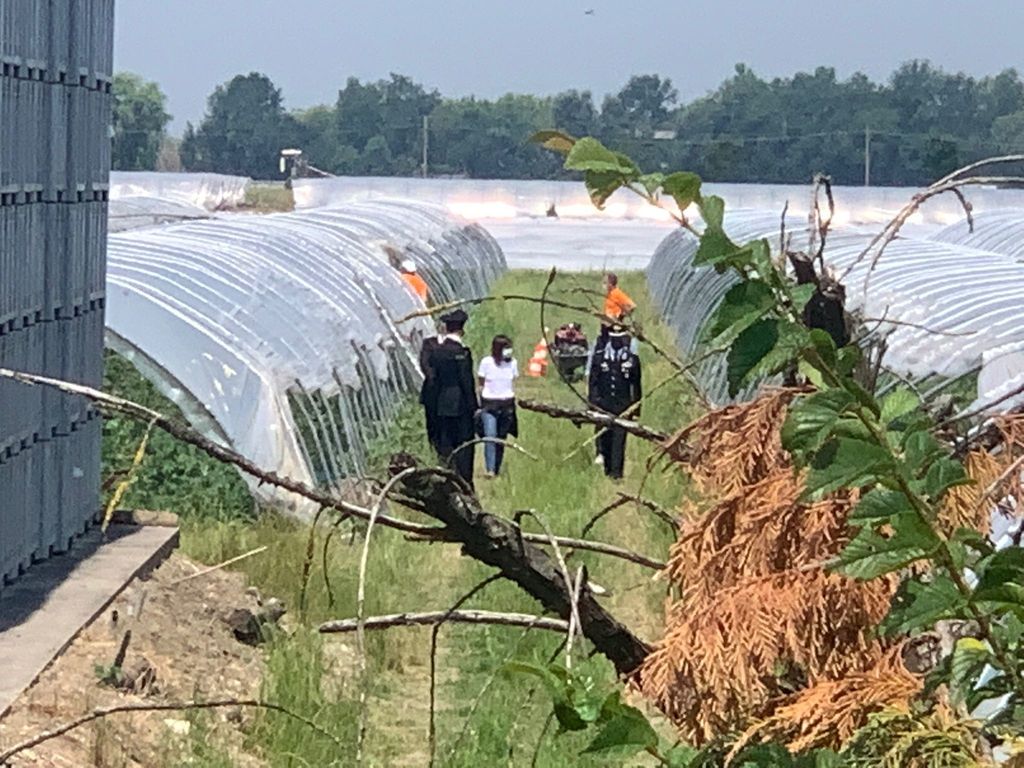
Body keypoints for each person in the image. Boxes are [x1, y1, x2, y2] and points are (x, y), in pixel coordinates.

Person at [424, 309, 478, 485]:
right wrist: (474, 408)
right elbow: (466, 383)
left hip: (441, 405)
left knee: (446, 443)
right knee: (464, 446)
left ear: (446, 329)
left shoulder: (437, 352)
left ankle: (447, 478)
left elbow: (433, 379)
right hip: (460, 406)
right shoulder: (463, 353)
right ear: (461, 330)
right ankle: (464, 482)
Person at [588, 325, 642, 480]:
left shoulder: (631, 359)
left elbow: (636, 386)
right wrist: (592, 404)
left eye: (620, 338)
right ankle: (607, 468)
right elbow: (593, 382)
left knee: (619, 439)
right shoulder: (600, 357)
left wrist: (636, 409)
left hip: (622, 406)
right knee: (605, 436)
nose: (617, 342)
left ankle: (616, 473)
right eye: (614, 338)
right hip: (603, 404)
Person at [477, 335, 519, 478]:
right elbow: (481, 381)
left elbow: (513, 380)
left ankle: (497, 467)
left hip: (506, 405)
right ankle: (490, 469)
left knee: (501, 438)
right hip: (489, 404)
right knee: (490, 436)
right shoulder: (486, 362)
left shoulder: (512, 363)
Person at [419, 319, 445, 452]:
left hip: (449, 392)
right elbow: (424, 364)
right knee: (432, 422)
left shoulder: (455, 345)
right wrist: (434, 377)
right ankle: (435, 448)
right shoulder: (429, 344)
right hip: (433, 391)